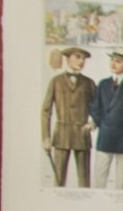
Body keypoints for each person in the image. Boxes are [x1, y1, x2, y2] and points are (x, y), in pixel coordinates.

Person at [40, 46, 95, 187]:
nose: (81, 61)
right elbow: (46, 111)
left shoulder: (89, 83)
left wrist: (93, 123)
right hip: (61, 136)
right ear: (68, 58)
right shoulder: (55, 81)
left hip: (82, 136)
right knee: (58, 182)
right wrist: (46, 137)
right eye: (77, 57)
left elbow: (98, 108)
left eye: (83, 58)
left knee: (84, 183)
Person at [90, 47, 123, 190]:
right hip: (105, 136)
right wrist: (103, 124)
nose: (113, 64)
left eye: (118, 61)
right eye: (112, 60)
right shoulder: (103, 84)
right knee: (99, 179)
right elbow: (95, 108)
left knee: (122, 182)